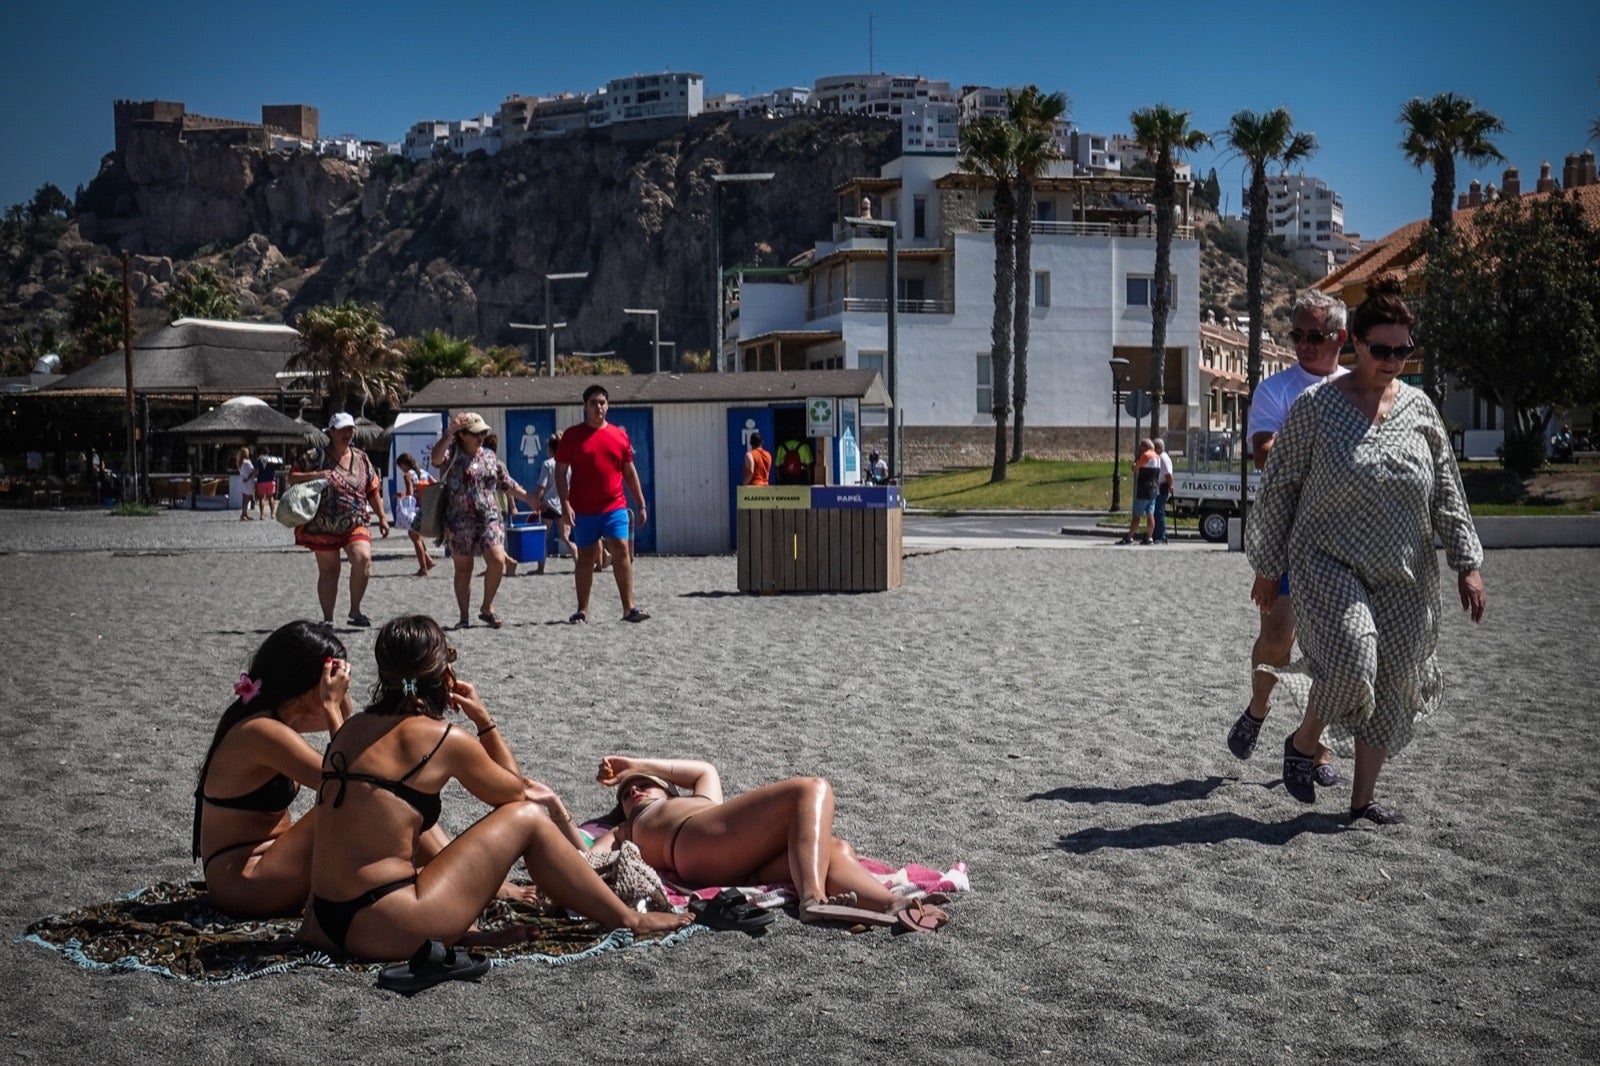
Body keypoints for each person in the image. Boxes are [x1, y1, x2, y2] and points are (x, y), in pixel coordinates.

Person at [299, 616, 691, 960]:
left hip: (321, 924)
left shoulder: (350, 730)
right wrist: (483, 720)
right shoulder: (442, 738)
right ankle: (629, 919)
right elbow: (516, 794)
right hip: (389, 924)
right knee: (529, 819)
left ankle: (462, 934)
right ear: (444, 676)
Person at [1246, 276, 1487, 825]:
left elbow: (1447, 487)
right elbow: (1280, 485)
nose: (1394, 360)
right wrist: (1268, 565)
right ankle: (1304, 742)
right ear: (1355, 342)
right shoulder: (1316, 406)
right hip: (1327, 560)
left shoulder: (1421, 410)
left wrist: (1467, 565)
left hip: (1405, 569)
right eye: (1383, 349)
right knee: (1354, 662)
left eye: (1404, 350)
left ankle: (1362, 801)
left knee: (1396, 676)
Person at [590, 756, 949, 932]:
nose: (634, 790)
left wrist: (634, 763)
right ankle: (813, 901)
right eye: (625, 793)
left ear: (669, 788)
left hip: (730, 857)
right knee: (811, 789)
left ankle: (891, 906)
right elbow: (587, 856)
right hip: (691, 844)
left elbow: (704, 770)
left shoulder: (702, 800)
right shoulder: (627, 828)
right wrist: (558, 811)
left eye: (643, 784)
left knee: (832, 849)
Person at [1225, 290, 1351, 782]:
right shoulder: (1275, 390)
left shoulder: (1359, 388)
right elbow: (1264, 454)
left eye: (1314, 336)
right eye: (1296, 334)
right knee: (1277, 641)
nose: (1302, 344)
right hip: (1290, 533)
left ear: (1340, 337)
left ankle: (1316, 749)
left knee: (1335, 650)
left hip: (1346, 539)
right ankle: (1258, 707)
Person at [193, 621, 351, 918]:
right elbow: (348, 783)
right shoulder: (262, 732)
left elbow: (346, 727)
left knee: (382, 797)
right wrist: (330, 706)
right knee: (364, 801)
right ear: (305, 680)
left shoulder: (281, 716)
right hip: (244, 884)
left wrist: (337, 698)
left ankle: (432, 872)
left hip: (268, 864)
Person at [429, 412, 538, 630]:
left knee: (498, 559)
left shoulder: (489, 456)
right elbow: (435, 459)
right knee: (464, 568)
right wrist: (449, 432)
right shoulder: (452, 453)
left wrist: (529, 499)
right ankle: (464, 617)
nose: (481, 437)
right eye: (476, 433)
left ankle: (487, 607)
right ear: (463, 435)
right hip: (459, 518)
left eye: (483, 433)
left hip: (489, 515)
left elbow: (506, 482)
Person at [555, 384, 650, 624]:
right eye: (594, 403)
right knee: (586, 556)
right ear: (585, 407)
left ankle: (629, 608)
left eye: (603, 402)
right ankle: (582, 609)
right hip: (584, 509)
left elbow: (629, 471)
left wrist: (640, 503)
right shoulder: (572, 436)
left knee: (621, 548)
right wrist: (565, 504)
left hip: (614, 505)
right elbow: (560, 472)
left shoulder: (619, 435)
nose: (599, 407)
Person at [287, 412, 390, 628]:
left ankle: (355, 610)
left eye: (350, 429)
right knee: (329, 571)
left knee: (363, 559)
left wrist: (381, 517)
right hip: (322, 524)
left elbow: (372, 489)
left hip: (356, 521)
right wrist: (317, 475)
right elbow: (292, 477)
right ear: (331, 432)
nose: (348, 433)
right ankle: (328, 618)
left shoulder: (361, 458)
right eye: (342, 429)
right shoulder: (315, 456)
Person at [532, 433, 576, 574]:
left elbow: (541, 486)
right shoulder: (568, 465)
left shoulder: (548, 464)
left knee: (543, 538)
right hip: (564, 504)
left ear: (550, 449)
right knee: (565, 537)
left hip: (548, 505)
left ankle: (541, 568)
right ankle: (578, 562)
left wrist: (536, 502)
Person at [394, 452, 435, 577]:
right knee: (416, 536)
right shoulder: (423, 473)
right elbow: (435, 483)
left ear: (403, 465)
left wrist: (402, 497)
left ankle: (423, 568)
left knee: (415, 537)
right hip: (426, 508)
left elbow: (410, 494)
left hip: (415, 510)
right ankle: (428, 560)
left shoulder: (408, 476)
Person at [1116, 439, 1159, 544]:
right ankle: (1149, 537)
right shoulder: (1157, 456)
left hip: (1144, 488)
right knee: (1150, 514)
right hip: (1154, 488)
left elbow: (1135, 467)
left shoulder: (1146, 455)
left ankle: (1130, 536)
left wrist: (1137, 460)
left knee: (1137, 514)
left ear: (1144, 446)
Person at [1151, 438, 1174, 544]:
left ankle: (1161, 535)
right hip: (1159, 488)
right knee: (1156, 511)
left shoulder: (1163, 458)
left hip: (1162, 488)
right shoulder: (1160, 457)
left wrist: (1170, 486)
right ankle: (1157, 534)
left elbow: (1168, 475)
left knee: (1159, 512)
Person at [253, 452, 279, 520]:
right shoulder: (272, 459)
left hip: (261, 480)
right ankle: (272, 514)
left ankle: (261, 515)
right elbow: (277, 467)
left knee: (261, 498)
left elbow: (256, 470)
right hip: (270, 480)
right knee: (271, 497)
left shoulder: (259, 459)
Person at [237, 447, 256, 522]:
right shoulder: (247, 462)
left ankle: (244, 514)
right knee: (246, 499)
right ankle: (243, 514)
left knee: (244, 499)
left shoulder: (240, 462)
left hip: (243, 481)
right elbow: (251, 471)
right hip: (248, 482)